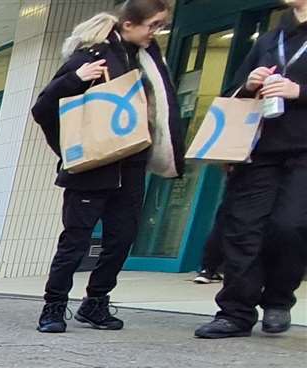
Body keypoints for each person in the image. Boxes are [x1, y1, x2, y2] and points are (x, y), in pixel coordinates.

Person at [31, 0, 181, 333]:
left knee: (121, 239)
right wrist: (74, 79)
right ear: (128, 24)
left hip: (130, 164)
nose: (156, 32)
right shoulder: (92, 56)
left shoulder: (147, 60)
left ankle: (95, 302)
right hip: (91, 167)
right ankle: (53, 306)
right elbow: (42, 108)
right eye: (152, 25)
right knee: (75, 241)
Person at [195, 0, 307, 338]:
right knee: (243, 229)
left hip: (304, 152)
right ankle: (235, 312)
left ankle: (277, 300)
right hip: (259, 150)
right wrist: (250, 84)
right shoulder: (270, 39)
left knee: (290, 226)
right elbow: (233, 93)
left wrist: (299, 90)